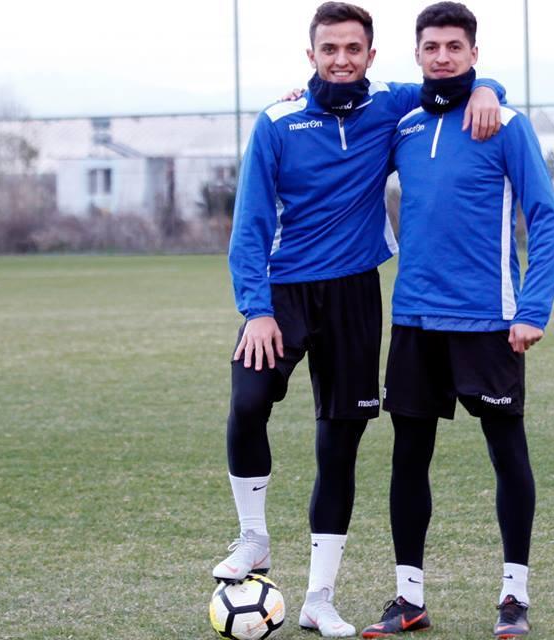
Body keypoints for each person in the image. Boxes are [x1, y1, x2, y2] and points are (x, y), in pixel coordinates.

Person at [215, 2, 506, 638]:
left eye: (353, 49)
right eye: (330, 49)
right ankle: (253, 536)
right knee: (248, 400)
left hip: (354, 294)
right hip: (283, 292)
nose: (342, 59)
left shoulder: (389, 107)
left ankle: (319, 599)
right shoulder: (277, 122)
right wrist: (256, 310)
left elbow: (449, 81)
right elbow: (250, 224)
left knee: (339, 442)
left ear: (371, 56)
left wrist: (488, 86)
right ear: (311, 54)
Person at [359, 3, 554, 638]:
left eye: (455, 46)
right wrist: (301, 94)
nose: (443, 56)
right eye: (432, 47)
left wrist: (532, 310)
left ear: (474, 52)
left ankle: (514, 597)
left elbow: (546, 219)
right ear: (417, 54)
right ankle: (408, 599)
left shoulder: (505, 123)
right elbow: (357, 96)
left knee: (507, 453)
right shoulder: (404, 124)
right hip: (415, 318)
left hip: (488, 320)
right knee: (408, 459)